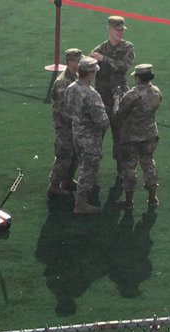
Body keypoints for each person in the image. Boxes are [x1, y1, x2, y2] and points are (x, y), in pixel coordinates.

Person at [63, 56, 109, 215]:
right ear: (90, 73)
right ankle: (81, 204)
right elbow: (101, 121)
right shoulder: (91, 94)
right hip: (90, 136)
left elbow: (67, 110)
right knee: (88, 168)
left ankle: (78, 192)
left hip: (77, 131)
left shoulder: (71, 88)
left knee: (83, 162)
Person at [113, 63, 162, 208]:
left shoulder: (133, 95)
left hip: (131, 136)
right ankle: (152, 198)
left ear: (139, 78)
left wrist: (117, 99)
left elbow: (118, 113)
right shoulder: (156, 92)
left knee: (129, 166)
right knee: (149, 164)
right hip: (150, 133)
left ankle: (129, 200)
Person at [91, 15, 135, 161]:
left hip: (119, 96)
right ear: (109, 29)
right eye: (117, 30)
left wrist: (103, 59)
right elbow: (87, 65)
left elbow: (123, 66)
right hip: (102, 98)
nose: (120, 33)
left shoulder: (127, 47)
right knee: (96, 137)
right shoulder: (100, 48)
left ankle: (122, 170)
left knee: (121, 138)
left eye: (122, 30)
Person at [48, 48, 83, 198]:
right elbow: (64, 109)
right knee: (64, 156)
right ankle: (54, 185)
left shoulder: (75, 77)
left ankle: (67, 180)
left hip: (74, 125)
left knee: (74, 154)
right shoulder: (63, 82)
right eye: (78, 61)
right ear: (70, 61)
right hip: (65, 126)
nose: (80, 63)